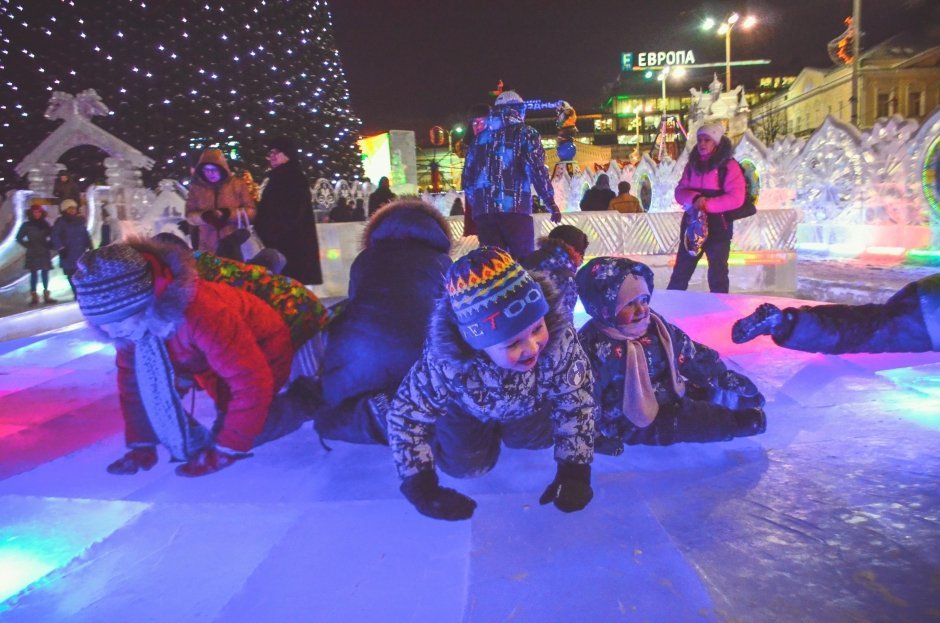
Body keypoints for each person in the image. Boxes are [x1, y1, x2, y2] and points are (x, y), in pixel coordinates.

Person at [72, 240, 320, 477]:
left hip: (266, 343)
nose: (112, 334)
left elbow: (250, 380)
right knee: (183, 397)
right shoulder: (130, 327)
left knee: (246, 429)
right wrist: (142, 443)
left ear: (146, 304)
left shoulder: (202, 312)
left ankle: (305, 401)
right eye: (103, 326)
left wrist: (226, 449)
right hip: (202, 358)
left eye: (117, 322)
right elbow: (135, 384)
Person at [385, 247, 595, 521]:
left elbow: (576, 398)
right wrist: (421, 487)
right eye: (512, 342)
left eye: (536, 329)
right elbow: (405, 413)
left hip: (527, 404)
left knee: (537, 440)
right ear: (477, 343)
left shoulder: (559, 340)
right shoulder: (445, 361)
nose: (532, 347)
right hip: (466, 409)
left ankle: (515, 430)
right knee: (466, 467)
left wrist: (574, 470)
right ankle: (454, 435)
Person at [576, 257, 766, 455]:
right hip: (629, 416)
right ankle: (733, 423)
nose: (641, 310)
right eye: (629, 304)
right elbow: (585, 394)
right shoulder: (594, 346)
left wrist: (718, 375)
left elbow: (686, 352)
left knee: (701, 390)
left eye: (644, 300)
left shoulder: (655, 326)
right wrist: (593, 435)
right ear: (606, 307)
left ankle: (729, 399)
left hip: (668, 390)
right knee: (682, 421)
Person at [306, 199, 453, 445]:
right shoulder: (441, 263)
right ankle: (391, 414)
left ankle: (352, 417)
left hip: (356, 355)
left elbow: (356, 303)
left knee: (344, 393)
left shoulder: (364, 260)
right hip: (417, 356)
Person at [461, 90, 561, 259]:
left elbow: (468, 179)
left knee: (494, 265)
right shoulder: (526, 133)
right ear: (519, 110)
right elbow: (536, 170)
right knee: (522, 264)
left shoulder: (479, 140)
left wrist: (478, 205)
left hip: (485, 215)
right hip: (515, 210)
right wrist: (550, 201)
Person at [732, 273, 940, 353]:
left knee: (870, 319)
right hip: (932, 317)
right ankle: (782, 323)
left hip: (927, 293)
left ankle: (799, 317)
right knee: (865, 335)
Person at [666, 122, 745, 294]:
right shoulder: (692, 166)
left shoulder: (729, 167)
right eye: (700, 140)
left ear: (716, 142)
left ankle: (719, 307)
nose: (702, 144)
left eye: (706, 140)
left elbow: (736, 198)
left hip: (719, 226)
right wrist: (694, 199)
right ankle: (670, 304)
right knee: (681, 271)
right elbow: (680, 191)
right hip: (693, 224)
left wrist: (707, 204)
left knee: (718, 274)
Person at [254, 136, 322, 285]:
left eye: (275, 152)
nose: (271, 156)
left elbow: (290, 213)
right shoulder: (278, 177)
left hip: (290, 245)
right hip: (284, 243)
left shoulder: (293, 178)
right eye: (269, 153)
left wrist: (270, 232)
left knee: (289, 286)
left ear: (287, 154)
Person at [184, 148, 256, 254]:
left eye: (213, 170)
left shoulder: (237, 185)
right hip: (207, 246)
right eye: (206, 170)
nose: (210, 173)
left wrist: (228, 214)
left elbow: (251, 212)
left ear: (222, 168)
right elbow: (189, 215)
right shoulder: (196, 189)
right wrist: (204, 216)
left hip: (234, 245)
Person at [521, 224, 589, 322]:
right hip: (542, 332)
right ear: (575, 251)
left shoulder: (529, 258)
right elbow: (563, 321)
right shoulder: (566, 278)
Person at [51, 199, 93, 298]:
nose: (73, 210)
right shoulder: (61, 222)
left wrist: (89, 244)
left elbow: (84, 233)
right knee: (72, 274)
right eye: (70, 208)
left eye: (74, 208)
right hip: (68, 252)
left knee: (82, 273)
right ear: (65, 210)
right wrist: (61, 248)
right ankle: (76, 294)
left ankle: (84, 292)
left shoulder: (79, 221)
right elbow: (55, 235)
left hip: (80, 251)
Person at [16, 203, 56, 306]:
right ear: (31, 213)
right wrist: (28, 245)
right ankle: (34, 296)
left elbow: (52, 235)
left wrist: (50, 244)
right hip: (33, 252)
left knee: (45, 273)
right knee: (34, 274)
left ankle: (46, 294)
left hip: (43, 251)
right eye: (35, 212)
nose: (37, 214)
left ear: (41, 213)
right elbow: (19, 237)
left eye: (38, 212)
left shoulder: (45, 224)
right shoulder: (27, 225)